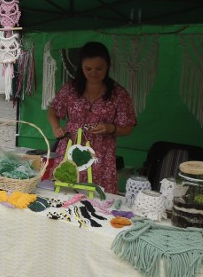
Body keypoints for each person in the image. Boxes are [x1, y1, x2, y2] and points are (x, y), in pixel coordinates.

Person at [47, 41, 137, 194]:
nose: (93, 73)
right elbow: (53, 111)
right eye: (88, 69)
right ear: (81, 67)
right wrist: (56, 127)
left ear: (107, 66)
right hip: (70, 149)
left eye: (99, 68)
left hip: (101, 155)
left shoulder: (118, 94)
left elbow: (127, 127)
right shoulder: (70, 89)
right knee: (64, 193)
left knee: (96, 197)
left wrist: (110, 128)